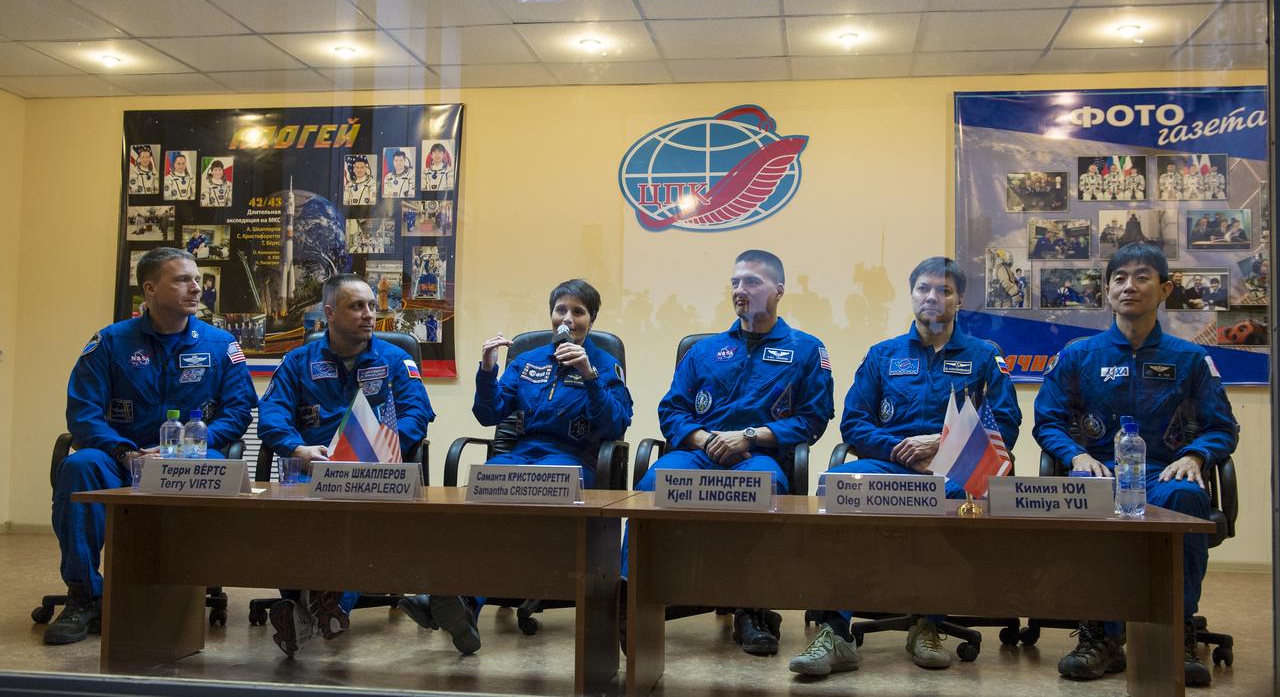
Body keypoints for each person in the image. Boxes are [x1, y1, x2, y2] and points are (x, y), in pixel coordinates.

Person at [791, 257, 1019, 675]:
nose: (933, 297)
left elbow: (1006, 424)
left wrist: (939, 442)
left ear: (960, 300)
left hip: (953, 470)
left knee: (957, 495)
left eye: (944, 291)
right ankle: (836, 631)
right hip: (891, 466)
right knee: (838, 482)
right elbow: (854, 423)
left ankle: (928, 623)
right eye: (924, 289)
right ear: (912, 294)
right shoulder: (882, 355)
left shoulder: (984, 357)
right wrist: (900, 448)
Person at [1034, 243, 1238, 686]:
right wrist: (1076, 454)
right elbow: (1047, 421)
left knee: (1185, 496)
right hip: (1099, 472)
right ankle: (1099, 636)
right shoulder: (1079, 355)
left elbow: (1223, 426)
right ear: (1107, 291)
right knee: (1082, 499)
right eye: (1120, 278)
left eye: (1142, 277)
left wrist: (1195, 454)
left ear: (1164, 289)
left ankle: (1174, 632)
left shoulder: (1189, 359)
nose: (1130, 286)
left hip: (1162, 474)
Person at [399, 279, 633, 645]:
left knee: (530, 496)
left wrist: (589, 377)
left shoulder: (605, 364)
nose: (568, 319)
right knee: (473, 497)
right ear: (551, 314)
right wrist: (488, 369)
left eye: (578, 311)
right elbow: (487, 413)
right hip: (521, 454)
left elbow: (616, 424)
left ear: (592, 319)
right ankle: (459, 606)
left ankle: (462, 600)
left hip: (573, 460)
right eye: (561, 309)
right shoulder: (527, 361)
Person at [630, 250, 834, 656]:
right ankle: (632, 595)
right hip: (698, 450)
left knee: (766, 486)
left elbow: (814, 419)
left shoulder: (806, 349)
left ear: (778, 291)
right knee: (651, 481)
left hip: (757, 455)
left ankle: (753, 608)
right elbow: (671, 410)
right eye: (735, 283)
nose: (741, 290)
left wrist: (750, 436)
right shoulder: (704, 350)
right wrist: (703, 439)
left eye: (752, 282)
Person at [48, 248, 256, 645]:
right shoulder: (110, 343)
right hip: (123, 457)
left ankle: (181, 592)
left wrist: (197, 442)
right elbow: (83, 413)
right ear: (150, 288)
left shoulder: (220, 344)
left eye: (196, 279)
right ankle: (84, 596)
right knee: (80, 466)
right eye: (182, 280)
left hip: (190, 456)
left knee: (214, 464)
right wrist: (124, 451)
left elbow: (239, 410)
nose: (196, 287)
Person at [257, 273, 435, 658]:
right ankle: (310, 606)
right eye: (357, 306)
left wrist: (379, 449)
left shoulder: (395, 360)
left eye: (372, 306)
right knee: (286, 516)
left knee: (355, 520)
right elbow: (271, 415)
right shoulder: (298, 361)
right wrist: (297, 447)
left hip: (373, 470)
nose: (369, 314)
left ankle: (314, 608)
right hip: (312, 469)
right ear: (329, 313)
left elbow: (415, 416)